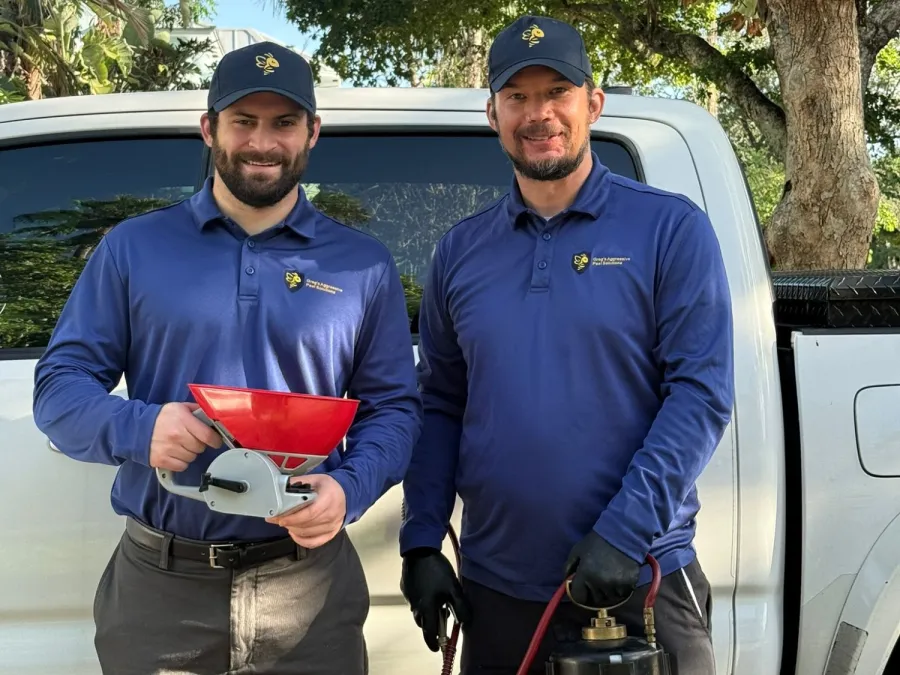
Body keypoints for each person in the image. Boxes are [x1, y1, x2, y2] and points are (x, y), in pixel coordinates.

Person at [33, 41, 422, 675]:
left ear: (312, 133)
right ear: (210, 128)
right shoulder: (133, 249)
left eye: (284, 123)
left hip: (309, 590)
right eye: (244, 121)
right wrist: (141, 426)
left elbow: (396, 411)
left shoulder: (362, 264)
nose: (262, 142)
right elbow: (58, 391)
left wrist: (348, 490)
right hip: (161, 592)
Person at [398, 14, 734, 675]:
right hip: (496, 592)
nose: (539, 113)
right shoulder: (461, 252)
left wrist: (625, 530)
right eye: (517, 96)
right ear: (492, 113)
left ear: (593, 103)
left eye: (557, 91)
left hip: (638, 581)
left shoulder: (670, 229)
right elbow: (439, 403)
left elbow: (700, 394)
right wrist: (421, 541)